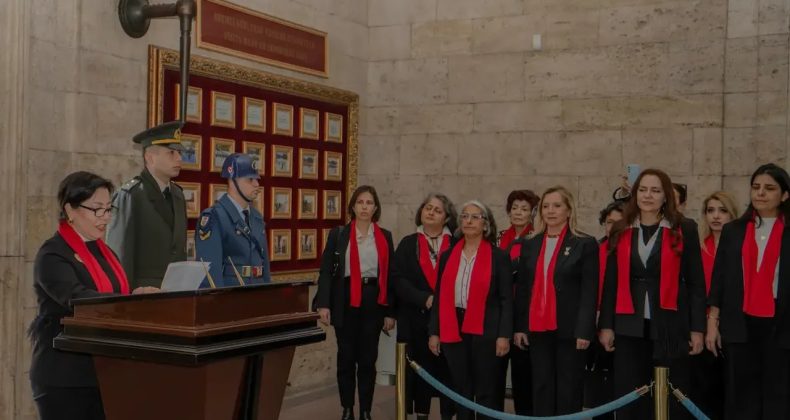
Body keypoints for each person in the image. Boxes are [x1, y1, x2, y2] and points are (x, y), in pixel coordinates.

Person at [29, 172, 157, 420]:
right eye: (97, 209)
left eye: (109, 209)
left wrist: (137, 296)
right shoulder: (53, 254)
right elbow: (80, 299)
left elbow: (112, 295)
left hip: (104, 374)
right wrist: (130, 303)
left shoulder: (105, 252)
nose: (105, 218)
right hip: (65, 377)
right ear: (71, 210)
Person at [599, 168, 706, 420]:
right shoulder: (621, 229)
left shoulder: (684, 228)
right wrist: (606, 326)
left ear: (666, 196)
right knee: (630, 392)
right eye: (643, 190)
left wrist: (697, 328)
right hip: (629, 323)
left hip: (671, 323)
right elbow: (610, 283)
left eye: (655, 190)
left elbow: (696, 282)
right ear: (635, 194)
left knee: (673, 392)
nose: (648, 195)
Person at [707, 164, 790, 420]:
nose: (761, 193)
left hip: (781, 323)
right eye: (756, 187)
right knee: (741, 395)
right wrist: (713, 323)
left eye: (769, 188)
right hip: (739, 322)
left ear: (784, 195)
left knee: (779, 395)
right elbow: (719, 279)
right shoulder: (734, 231)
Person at [514, 186, 598, 416]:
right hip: (537, 327)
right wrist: (520, 327)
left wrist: (584, 330)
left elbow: (590, 292)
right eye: (546, 206)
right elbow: (523, 289)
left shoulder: (585, 243)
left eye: (557, 206)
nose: (550, 211)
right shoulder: (530, 243)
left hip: (570, 329)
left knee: (568, 387)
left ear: (569, 210)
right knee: (541, 384)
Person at [315, 185, 396, 420]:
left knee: (368, 360)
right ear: (352, 206)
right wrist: (323, 304)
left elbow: (390, 276)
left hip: (373, 301)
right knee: (346, 357)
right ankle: (348, 408)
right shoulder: (338, 234)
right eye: (360, 202)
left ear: (376, 208)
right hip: (345, 299)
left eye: (369, 203)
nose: (364, 207)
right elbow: (326, 271)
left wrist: (390, 311)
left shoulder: (385, 237)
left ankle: (366, 410)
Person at [428, 200, 513, 420]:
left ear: (486, 225)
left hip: (487, 329)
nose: (469, 220)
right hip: (453, 326)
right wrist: (434, 332)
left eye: (476, 217)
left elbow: (506, 300)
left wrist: (504, 335)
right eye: (465, 216)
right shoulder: (448, 256)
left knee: (487, 388)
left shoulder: (499, 257)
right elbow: (439, 297)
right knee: (460, 387)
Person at [394, 193, 458, 420]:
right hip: (415, 318)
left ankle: (448, 415)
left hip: (449, 320)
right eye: (427, 208)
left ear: (447, 217)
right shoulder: (408, 243)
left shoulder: (457, 244)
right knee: (420, 371)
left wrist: (440, 301)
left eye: (437, 210)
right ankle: (421, 414)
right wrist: (425, 298)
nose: (430, 212)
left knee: (449, 371)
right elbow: (398, 279)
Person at [106, 121, 187, 288]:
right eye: (171, 152)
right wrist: (126, 300)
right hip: (143, 295)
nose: (179, 158)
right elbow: (120, 255)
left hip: (174, 294)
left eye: (179, 152)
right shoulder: (131, 195)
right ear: (150, 157)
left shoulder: (178, 195)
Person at [689, 191, 739, 420]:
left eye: (722, 210)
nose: (716, 216)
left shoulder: (740, 247)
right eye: (710, 210)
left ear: (733, 214)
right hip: (700, 326)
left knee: (730, 390)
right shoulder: (698, 248)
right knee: (703, 388)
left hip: (733, 326)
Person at [195, 153, 271, 286]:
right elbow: (210, 272)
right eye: (250, 179)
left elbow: (264, 267)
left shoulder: (256, 217)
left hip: (258, 291)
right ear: (232, 181)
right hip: (230, 293)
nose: (256, 184)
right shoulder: (214, 217)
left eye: (257, 179)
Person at [496, 189, 539, 415]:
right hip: (499, 316)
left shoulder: (538, 239)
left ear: (533, 213)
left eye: (524, 209)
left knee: (523, 380)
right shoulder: (498, 238)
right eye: (514, 208)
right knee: (495, 378)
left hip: (525, 316)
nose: (518, 213)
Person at [584, 199, 624, 420]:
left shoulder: (631, 252)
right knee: (599, 382)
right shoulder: (593, 250)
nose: (614, 227)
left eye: (620, 222)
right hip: (596, 324)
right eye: (610, 222)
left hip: (625, 325)